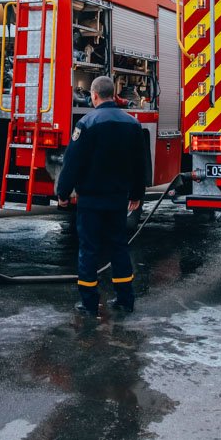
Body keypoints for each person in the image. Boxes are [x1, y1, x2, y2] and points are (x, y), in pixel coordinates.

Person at [56, 75, 147, 318]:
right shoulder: (133, 124)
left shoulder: (87, 123)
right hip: (118, 198)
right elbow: (141, 164)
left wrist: (63, 193)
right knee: (118, 246)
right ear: (114, 96)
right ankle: (126, 299)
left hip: (90, 199)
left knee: (89, 249)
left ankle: (88, 303)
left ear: (94, 95)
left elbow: (72, 163)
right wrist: (138, 193)